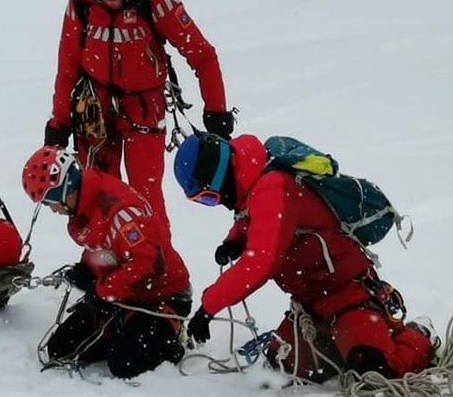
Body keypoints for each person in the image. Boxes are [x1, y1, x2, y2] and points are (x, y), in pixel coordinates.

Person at [172, 133, 436, 382]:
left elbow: (261, 263)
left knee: (372, 370)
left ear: (218, 176)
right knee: (282, 368)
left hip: (348, 296)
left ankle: (421, 336)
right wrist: (235, 241)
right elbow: (251, 218)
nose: (216, 203)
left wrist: (208, 307)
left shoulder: (272, 187)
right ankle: (348, 342)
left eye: (209, 197)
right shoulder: (250, 183)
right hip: (310, 306)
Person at [43, 0, 234, 231]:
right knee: (96, 197)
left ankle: (162, 270)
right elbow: (67, 67)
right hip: (95, 110)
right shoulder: (80, 4)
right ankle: (104, 266)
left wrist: (216, 110)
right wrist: (59, 123)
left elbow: (203, 55)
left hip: (144, 110)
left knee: (145, 198)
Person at [21, 145, 191, 379]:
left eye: (50, 201)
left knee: (124, 364)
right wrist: (88, 269)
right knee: (61, 349)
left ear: (65, 190)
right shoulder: (85, 204)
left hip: (162, 294)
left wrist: (103, 291)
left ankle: (173, 332)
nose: (53, 210)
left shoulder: (121, 212)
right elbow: (104, 247)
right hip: (122, 295)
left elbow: (147, 264)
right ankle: (123, 327)